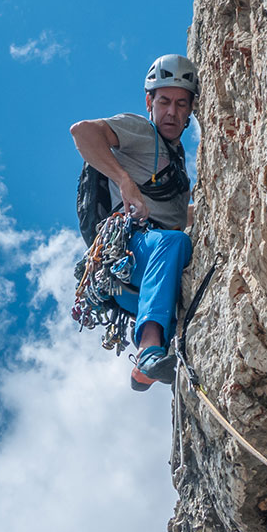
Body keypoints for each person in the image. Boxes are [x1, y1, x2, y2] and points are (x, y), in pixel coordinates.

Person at [69, 54, 198, 391]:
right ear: (149, 102)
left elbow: (173, 215)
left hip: (136, 282)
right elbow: (83, 133)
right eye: (165, 101)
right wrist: (123, 180)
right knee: (173, 242)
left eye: (181, 104)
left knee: (175, 246)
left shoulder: (177, 159)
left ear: (191, 110)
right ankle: (148, 351)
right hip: (130, 256)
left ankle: (144, 368)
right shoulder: (140, 130)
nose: (172, 111)